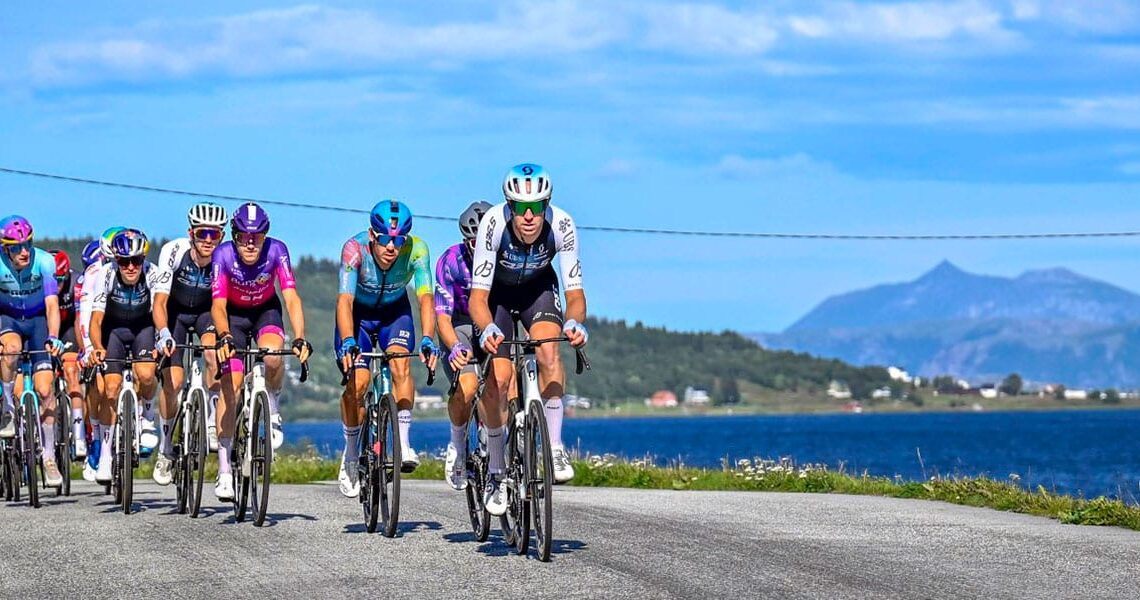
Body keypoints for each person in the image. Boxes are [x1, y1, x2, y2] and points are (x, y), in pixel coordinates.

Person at [469, 164, 588, 516]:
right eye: (521, 208)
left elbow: (575, 294)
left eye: (537, 206)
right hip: (496, 297)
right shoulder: (493, 224)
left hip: (538, 290)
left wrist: (574, 322)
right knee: (499, 379)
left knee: (549, 350)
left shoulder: (562, 225)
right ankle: (495, 470)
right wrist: (487, 328)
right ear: (510, 206)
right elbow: (477, 298)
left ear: (547, 204)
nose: (529, 216)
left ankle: (554, 446)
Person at [333, 200, 438, 497]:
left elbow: (426, 298)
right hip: (359, 317)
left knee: (401, 363)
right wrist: (349, 340)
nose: (392, 247)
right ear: (371, 235)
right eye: (384, 240)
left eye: (399, 240)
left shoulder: (417, 250)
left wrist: (428, 337)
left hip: (395, 314)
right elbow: (345, 301)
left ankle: (403, 443)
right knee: (359, 383)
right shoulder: (353, 249)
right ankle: (351, 451)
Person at [211, 202, 311, 500]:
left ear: (265, 236)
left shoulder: (277, 250)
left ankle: (273, 405)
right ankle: (224, 469)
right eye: (244, 236)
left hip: (266, 310)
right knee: (231, 386)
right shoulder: (222, 254)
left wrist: (300, 337)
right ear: (235, 235)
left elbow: (291, 297)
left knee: (272, 355)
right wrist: (224, 336)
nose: (250, 243)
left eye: (257, 236)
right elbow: (217, 305)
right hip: (233, 317)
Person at [151, 202, 227, 486]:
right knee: (173, 383)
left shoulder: (224, 257)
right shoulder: (173, 251)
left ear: (221, 236)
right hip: (175, 315)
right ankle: (165, 448)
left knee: (213, 356)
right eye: (202, 233)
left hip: (207, 313)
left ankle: (211, 422)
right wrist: (163, 333)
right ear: (191, 233)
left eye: (214, 234)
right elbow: (160, 302)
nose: (208, 240)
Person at [87, 229, 160, 483]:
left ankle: (147, 417)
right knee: (110, 389)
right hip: (114, 330)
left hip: (142, 328)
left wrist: (161, 339)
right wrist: (97, 346)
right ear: (116, 260)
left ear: (143, 259)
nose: (130, 267)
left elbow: (160, 309)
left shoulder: (152, 273)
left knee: (147, 374)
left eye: (136, 261)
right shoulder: (106, 275)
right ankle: (106, 455)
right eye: (124, 261)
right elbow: (96, 320)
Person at [0, 215, 67, 486]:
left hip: (38, 321)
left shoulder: (44, 262)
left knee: (45, 390)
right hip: (8, 318)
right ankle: (7, 408)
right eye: (16, 247)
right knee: (11, 349)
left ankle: (49, 456)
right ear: (5, 249)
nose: (24, 251)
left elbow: (52, 305)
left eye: (27, 244)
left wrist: (53, 337)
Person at [435, 200, 491, 490]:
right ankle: (457, 445)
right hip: (458, 325)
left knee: (507, 385)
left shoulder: (504, 259)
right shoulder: (450, 261)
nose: (481, 249)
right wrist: (455, 346)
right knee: (467, 387)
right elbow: (442, 318)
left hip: (492, 325)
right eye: (474, 243)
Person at [48, 249, 86, 458]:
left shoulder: (77, 282)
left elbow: (80, 319)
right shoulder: (40, 282)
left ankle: (79, 436)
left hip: (70, 328)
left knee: (72, 372)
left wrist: (82, 349)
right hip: (48, 328)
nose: (57, 285)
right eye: (53, 281)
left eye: (61, 280)